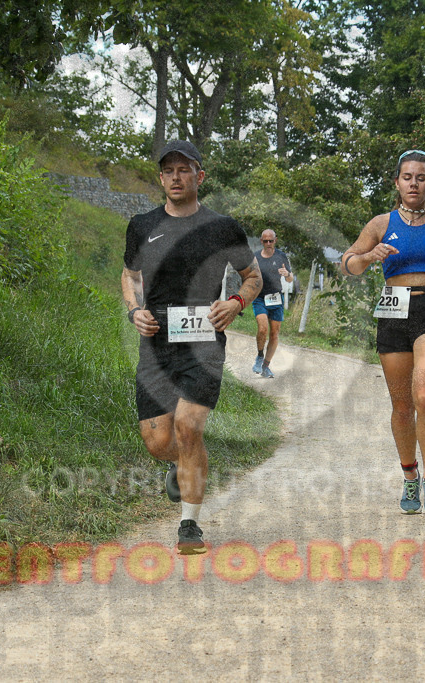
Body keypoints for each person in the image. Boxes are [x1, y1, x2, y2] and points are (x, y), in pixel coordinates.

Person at [121, 140, 263, 554]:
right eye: (169, 171)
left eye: (185, 170)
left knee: (188, 427)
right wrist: (134, 312)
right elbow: (130, 277)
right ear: (161, 178)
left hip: (203, 343)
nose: (176, 177)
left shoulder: (222, 227)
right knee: (158, 441)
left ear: (200, 176)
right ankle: (180, 463)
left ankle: (190, 526)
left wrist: (236, 302)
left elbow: (251, 276)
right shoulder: (142, 225)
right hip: (156, 344)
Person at [340, 150, 425, 514]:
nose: (413, 183)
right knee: (401, 406)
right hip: (393, 311)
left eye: (420, 177)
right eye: (406, 177)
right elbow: (348, 264)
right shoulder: (380, 223)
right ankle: (410, 477)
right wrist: (368, 257)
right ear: (396, 183)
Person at [251, 229, 293, 379]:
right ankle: (260, 356)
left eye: (271, 241)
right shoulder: (255, 257)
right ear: (261, 241)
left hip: (275, 298)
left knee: (274, 334)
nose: (268, 244)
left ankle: (266, 366)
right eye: (265, 241)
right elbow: (249, 277)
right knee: (262, 329)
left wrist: (287, 274)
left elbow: (290, 279)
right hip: (260, 298)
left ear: (275, 240)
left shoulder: (281, 256)